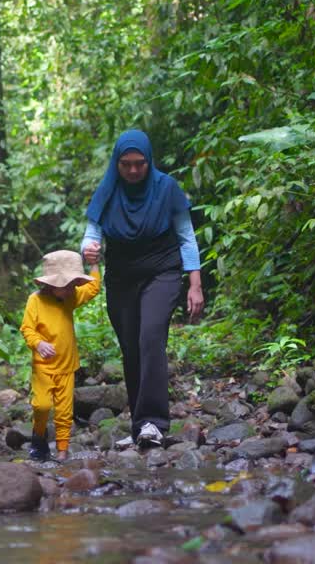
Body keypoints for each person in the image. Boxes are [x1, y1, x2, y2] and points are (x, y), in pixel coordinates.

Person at [81, 130, 203, 448]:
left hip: (162, 271)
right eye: (126, 165)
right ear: (116, 164)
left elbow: (186, 236)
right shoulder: (108, 190)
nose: (134, 171)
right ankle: (139, 427)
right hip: (121, 277)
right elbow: (92, 233)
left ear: (149, 161)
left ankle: (154, 422)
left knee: (150, 337)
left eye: (140, 164)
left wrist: (195, 285)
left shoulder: (166, 188)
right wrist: (89, 250)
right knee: (131, 348)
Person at [19, 249, 102, 461]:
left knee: (65, 412)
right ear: (51, 283)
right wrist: (38, 343)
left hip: (67, 365)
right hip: (44, 366)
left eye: (72, 285)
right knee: (42, 405)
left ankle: (63, 451)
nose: (69, 290)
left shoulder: (70, 296)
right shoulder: (35, 301)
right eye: (65, 286)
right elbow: (27, 329)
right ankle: (39, 437)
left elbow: (93, 288)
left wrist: (94, 265)